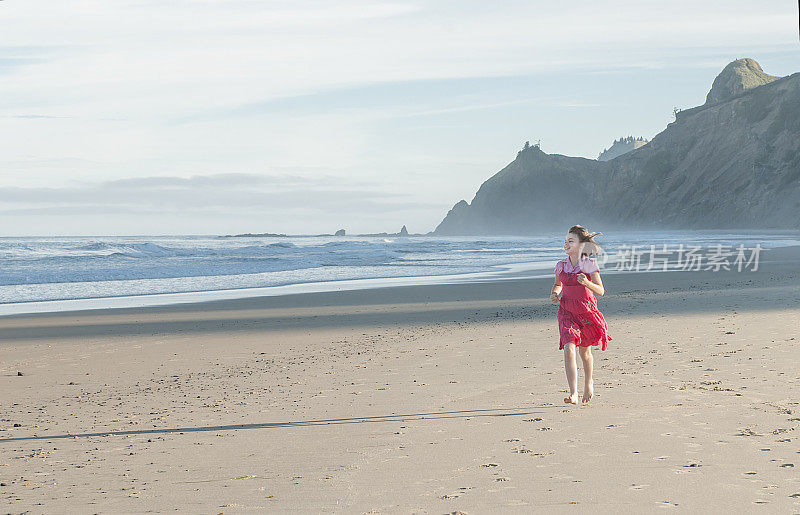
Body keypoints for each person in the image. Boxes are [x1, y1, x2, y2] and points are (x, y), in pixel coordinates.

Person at [550, 225, 612, 405]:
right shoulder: (561, 266)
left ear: (582, 245)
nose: (566, 244)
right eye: (565, 241)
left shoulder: (589, 264)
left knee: (585, 353)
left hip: (586, 311)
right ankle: (573, 393)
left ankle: (589, 382)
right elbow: (558, 285)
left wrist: (586, 282)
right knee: (569, 348)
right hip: (567, 310)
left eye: (571, 241)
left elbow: (600, 290)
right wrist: (555, 293)